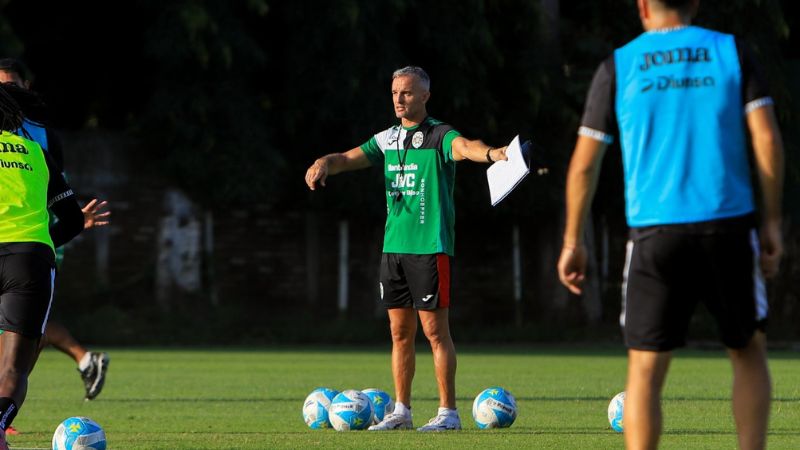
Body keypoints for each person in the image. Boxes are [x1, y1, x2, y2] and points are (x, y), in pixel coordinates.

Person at [557, 1, 784, 449]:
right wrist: (773, 221)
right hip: (728, 226)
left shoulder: (619, 64)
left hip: (654, 233)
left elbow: (583, 165)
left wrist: (572, 241)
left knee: (644, 369)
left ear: (642, 5)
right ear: (695, 2)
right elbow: (767, 138)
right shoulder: (731, 51)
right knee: (747, 352)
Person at [305, 66, 507, 431]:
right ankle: (402, 411)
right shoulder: (388, 139)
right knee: (400, 334)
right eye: (395, 93)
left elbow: (466, 147)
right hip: (393, 249)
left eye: (408, 93)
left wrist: (493, 153)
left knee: (435, 333)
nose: (399, 99)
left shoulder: (439, 135)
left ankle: (448, 414)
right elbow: (347, 159)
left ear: (425, 96)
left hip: (429, 248)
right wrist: (323, 163)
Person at [0, 58, 110, 403]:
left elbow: (52, 189)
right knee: (18, 346)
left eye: (10, 85)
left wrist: (59, 227)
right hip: (31, 247)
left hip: (38, 234)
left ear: (24, 87)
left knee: (21, 333)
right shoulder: (34, 148)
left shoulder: (45, 137)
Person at [0, 82, 85, 449]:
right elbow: (73, 220)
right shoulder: (37, 152)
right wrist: (41, 245)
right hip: (30, 261)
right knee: (14, 367)